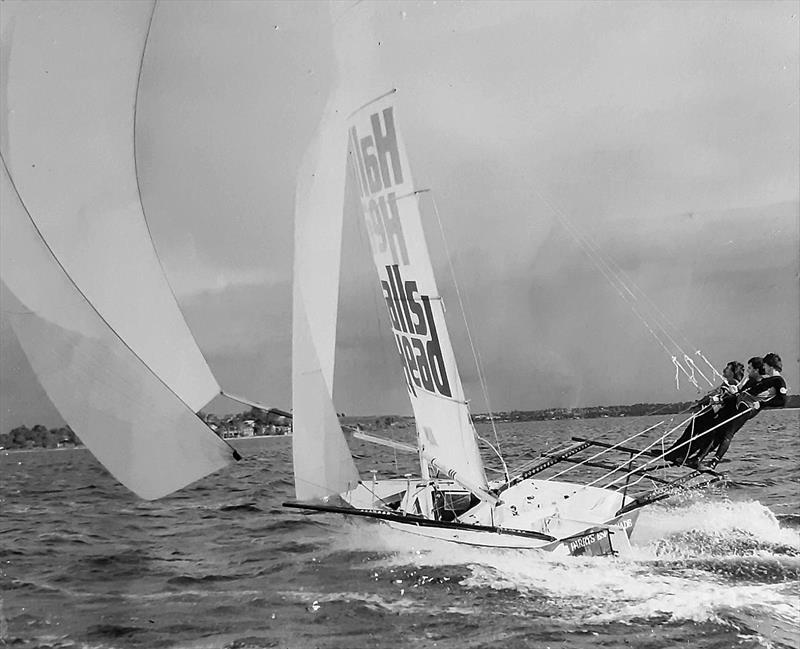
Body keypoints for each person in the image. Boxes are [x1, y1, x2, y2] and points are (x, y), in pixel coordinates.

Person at [702, 354, 787, 469]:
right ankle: (700, 458)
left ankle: (713, 463)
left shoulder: (778, 380)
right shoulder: (767, 380)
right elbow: (751, 391)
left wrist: (762, 404)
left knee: (728, 433)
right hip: (743, 404)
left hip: (749, 408)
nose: (764, 368)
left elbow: (782, 401)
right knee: (720, 431)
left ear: (770, 366)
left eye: (765, 365)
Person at [661, 361, 744, 466]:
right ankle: (673, 453)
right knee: (692, 429)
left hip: (717, 417)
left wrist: (703, 402)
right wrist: (699, 403)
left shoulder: (733, 385)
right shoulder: (727, 383)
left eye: (728, 368)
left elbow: (722, 397)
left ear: (733, 372)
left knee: (696, 432)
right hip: (712, 413)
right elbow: (713, 395)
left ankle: (676, 454)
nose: (724, 370)